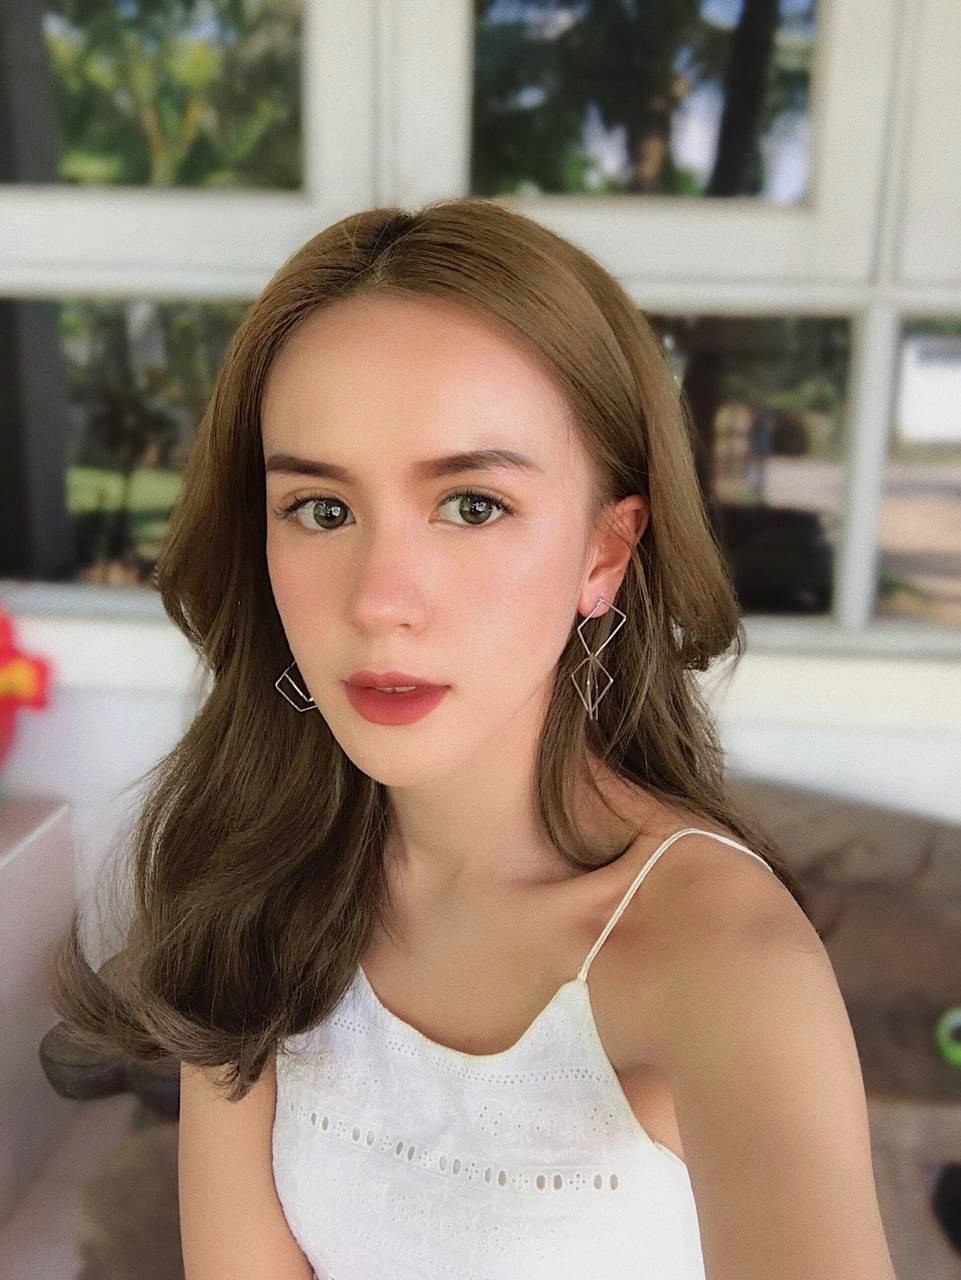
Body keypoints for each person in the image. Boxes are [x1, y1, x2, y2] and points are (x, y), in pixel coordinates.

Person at [52, 198, 896, 1280]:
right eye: (320, 509)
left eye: (472, 505)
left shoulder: (723, 960)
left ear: (604, 552)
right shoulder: (254, 875)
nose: (380, 601)